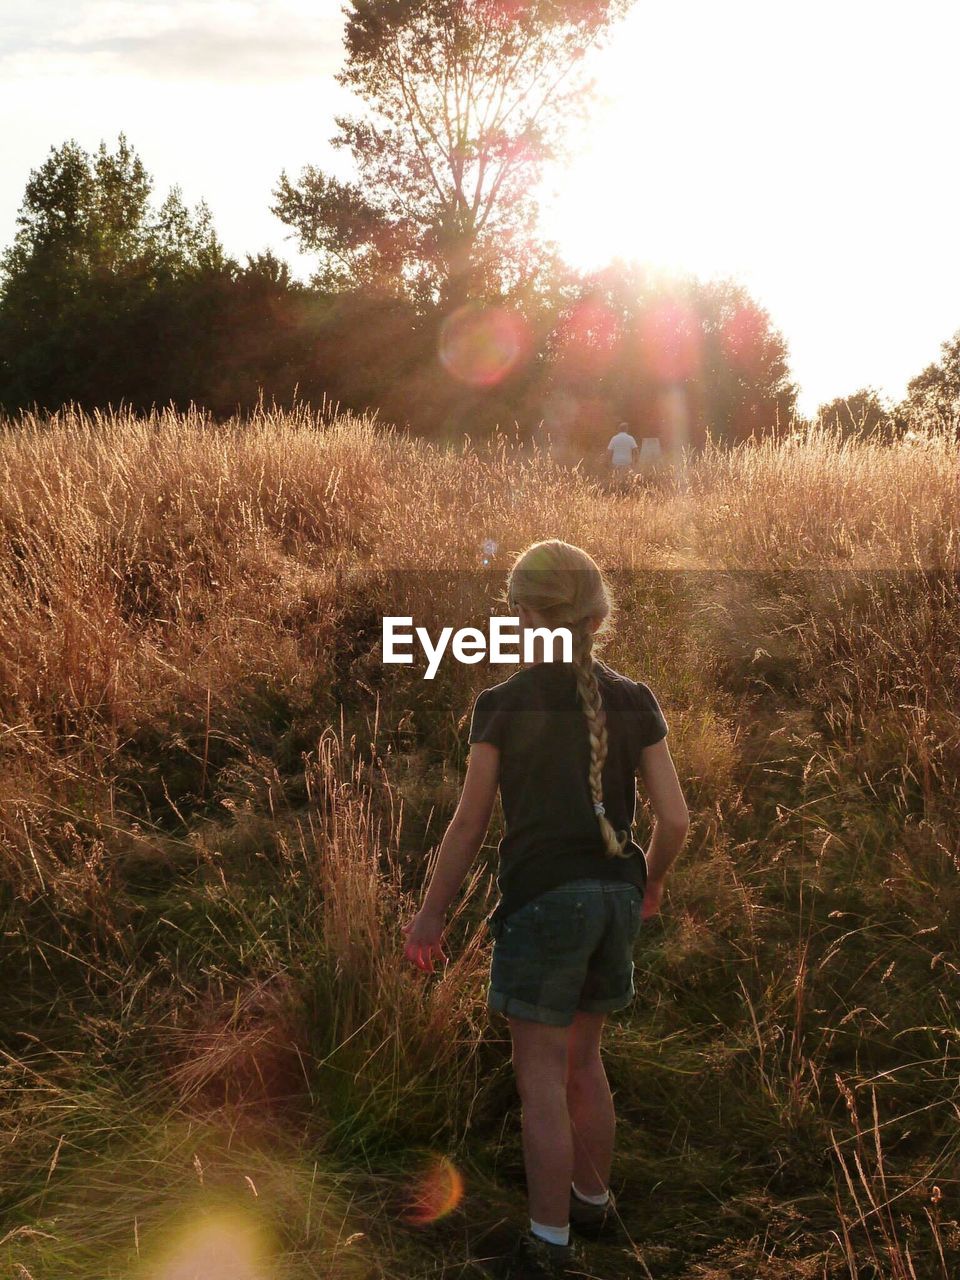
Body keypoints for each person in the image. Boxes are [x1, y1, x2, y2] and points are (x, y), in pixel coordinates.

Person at [402, 539, 690, 1279]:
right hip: (616, 902)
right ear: (594, 612)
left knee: (539, 1084)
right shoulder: (636, 698)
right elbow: (677, 820)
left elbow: (468, 825)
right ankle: (592, 1203)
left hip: (542, 904)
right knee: (584, 1064)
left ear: (529, 614)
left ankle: (547, 1243)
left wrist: (431, 913)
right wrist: (649, 883)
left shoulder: (501, 705)